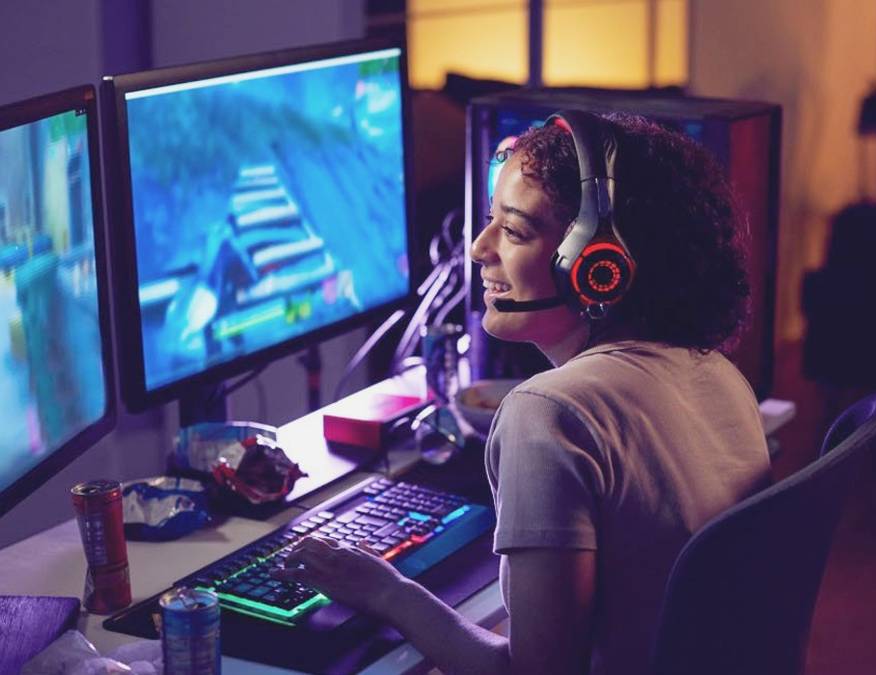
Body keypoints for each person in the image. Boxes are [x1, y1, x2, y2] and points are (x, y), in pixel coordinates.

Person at [274, 112, 771, 675]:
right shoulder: (719, 374)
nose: (479, 248)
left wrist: (387, 591)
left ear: (596, 266)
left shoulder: (550, 413)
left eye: (514, 231)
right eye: (491, 221)